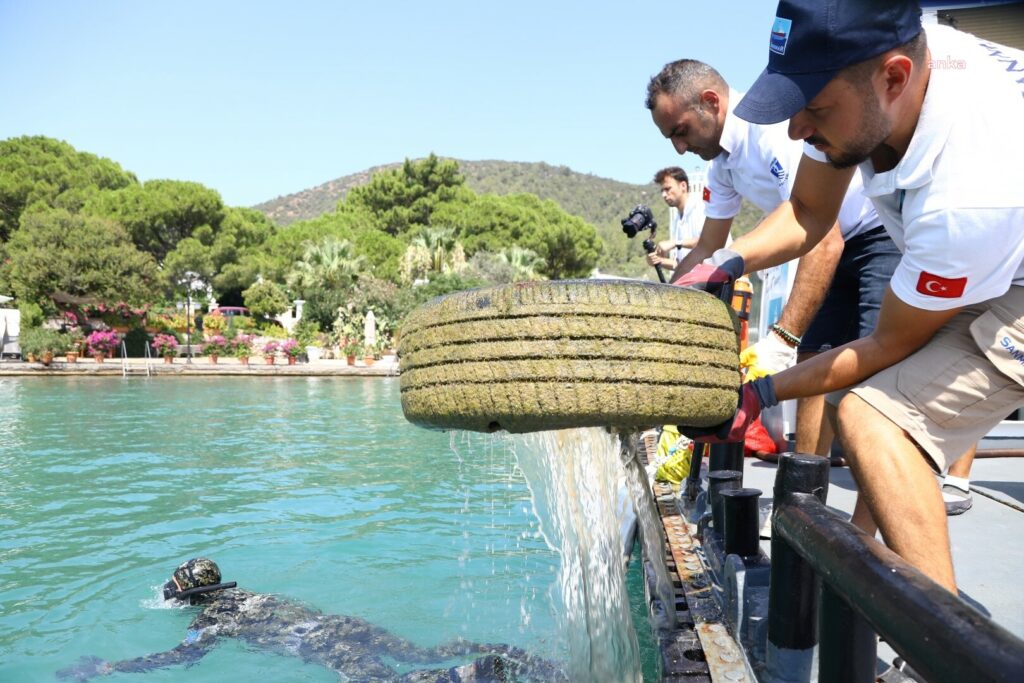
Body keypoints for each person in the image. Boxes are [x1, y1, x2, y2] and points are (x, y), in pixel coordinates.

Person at [678, 0, 1024, 593]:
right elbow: (810, 209)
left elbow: (890, 344)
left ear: (894, 78)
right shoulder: (880, 74)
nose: (795, 131)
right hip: (989, 250)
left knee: (874, 420)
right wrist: (726, 262)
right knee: (879, 436)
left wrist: (760, 392)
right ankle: (872, 594)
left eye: (811, 109)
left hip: (1003, 258)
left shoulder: (967, 197)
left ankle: (938, 651)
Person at [645, 58, 893, 464]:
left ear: (711, 102)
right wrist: (661, 308)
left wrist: (782, 337)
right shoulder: (721, 165)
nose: (679, 147)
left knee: (874, 376)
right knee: (815, 361)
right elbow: (708, 245)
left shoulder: (770, 132)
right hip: (828, 240)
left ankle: (876, 515)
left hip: (872, 232)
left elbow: (822, 236)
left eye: (681, 131)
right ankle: (805, 498)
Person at [57, 558, 566, 682]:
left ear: (187, 597)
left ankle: (483, 672)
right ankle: (511, 653)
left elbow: (180, 657)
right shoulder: (255, 595)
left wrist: (109, 668)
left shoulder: (210, 620)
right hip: (346, 624)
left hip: (321, 644)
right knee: (420, 655)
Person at [646, 166, 710, 269]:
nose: (663, 194)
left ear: (683, 186)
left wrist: (675, 243)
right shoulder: (677, 219)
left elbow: (710, 242)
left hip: (716, 279)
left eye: (667, 189)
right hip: (693, 281)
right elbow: (680, 265)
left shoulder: (702, 207)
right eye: (662, 190)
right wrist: (658, 261)